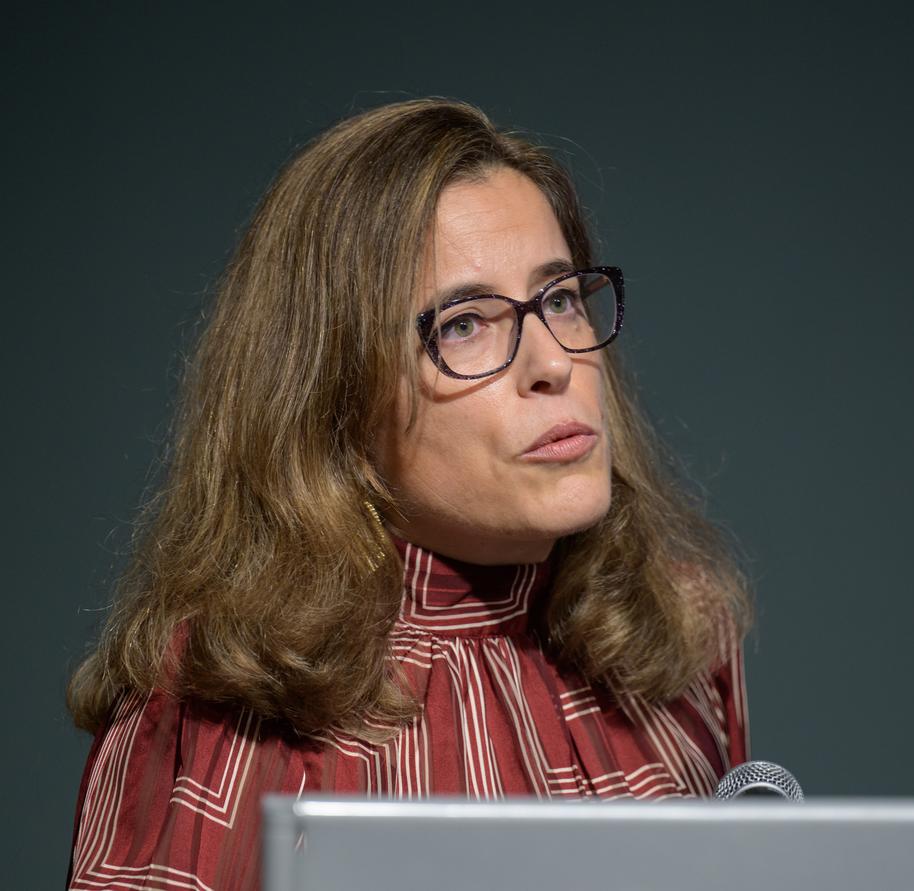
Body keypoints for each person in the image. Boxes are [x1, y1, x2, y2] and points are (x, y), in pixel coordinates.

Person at [64, 98, 753, 890]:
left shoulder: (682, 628)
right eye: (464, 324)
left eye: (559, 297)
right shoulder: (223, 697)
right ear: (335, 401)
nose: (553, 363)